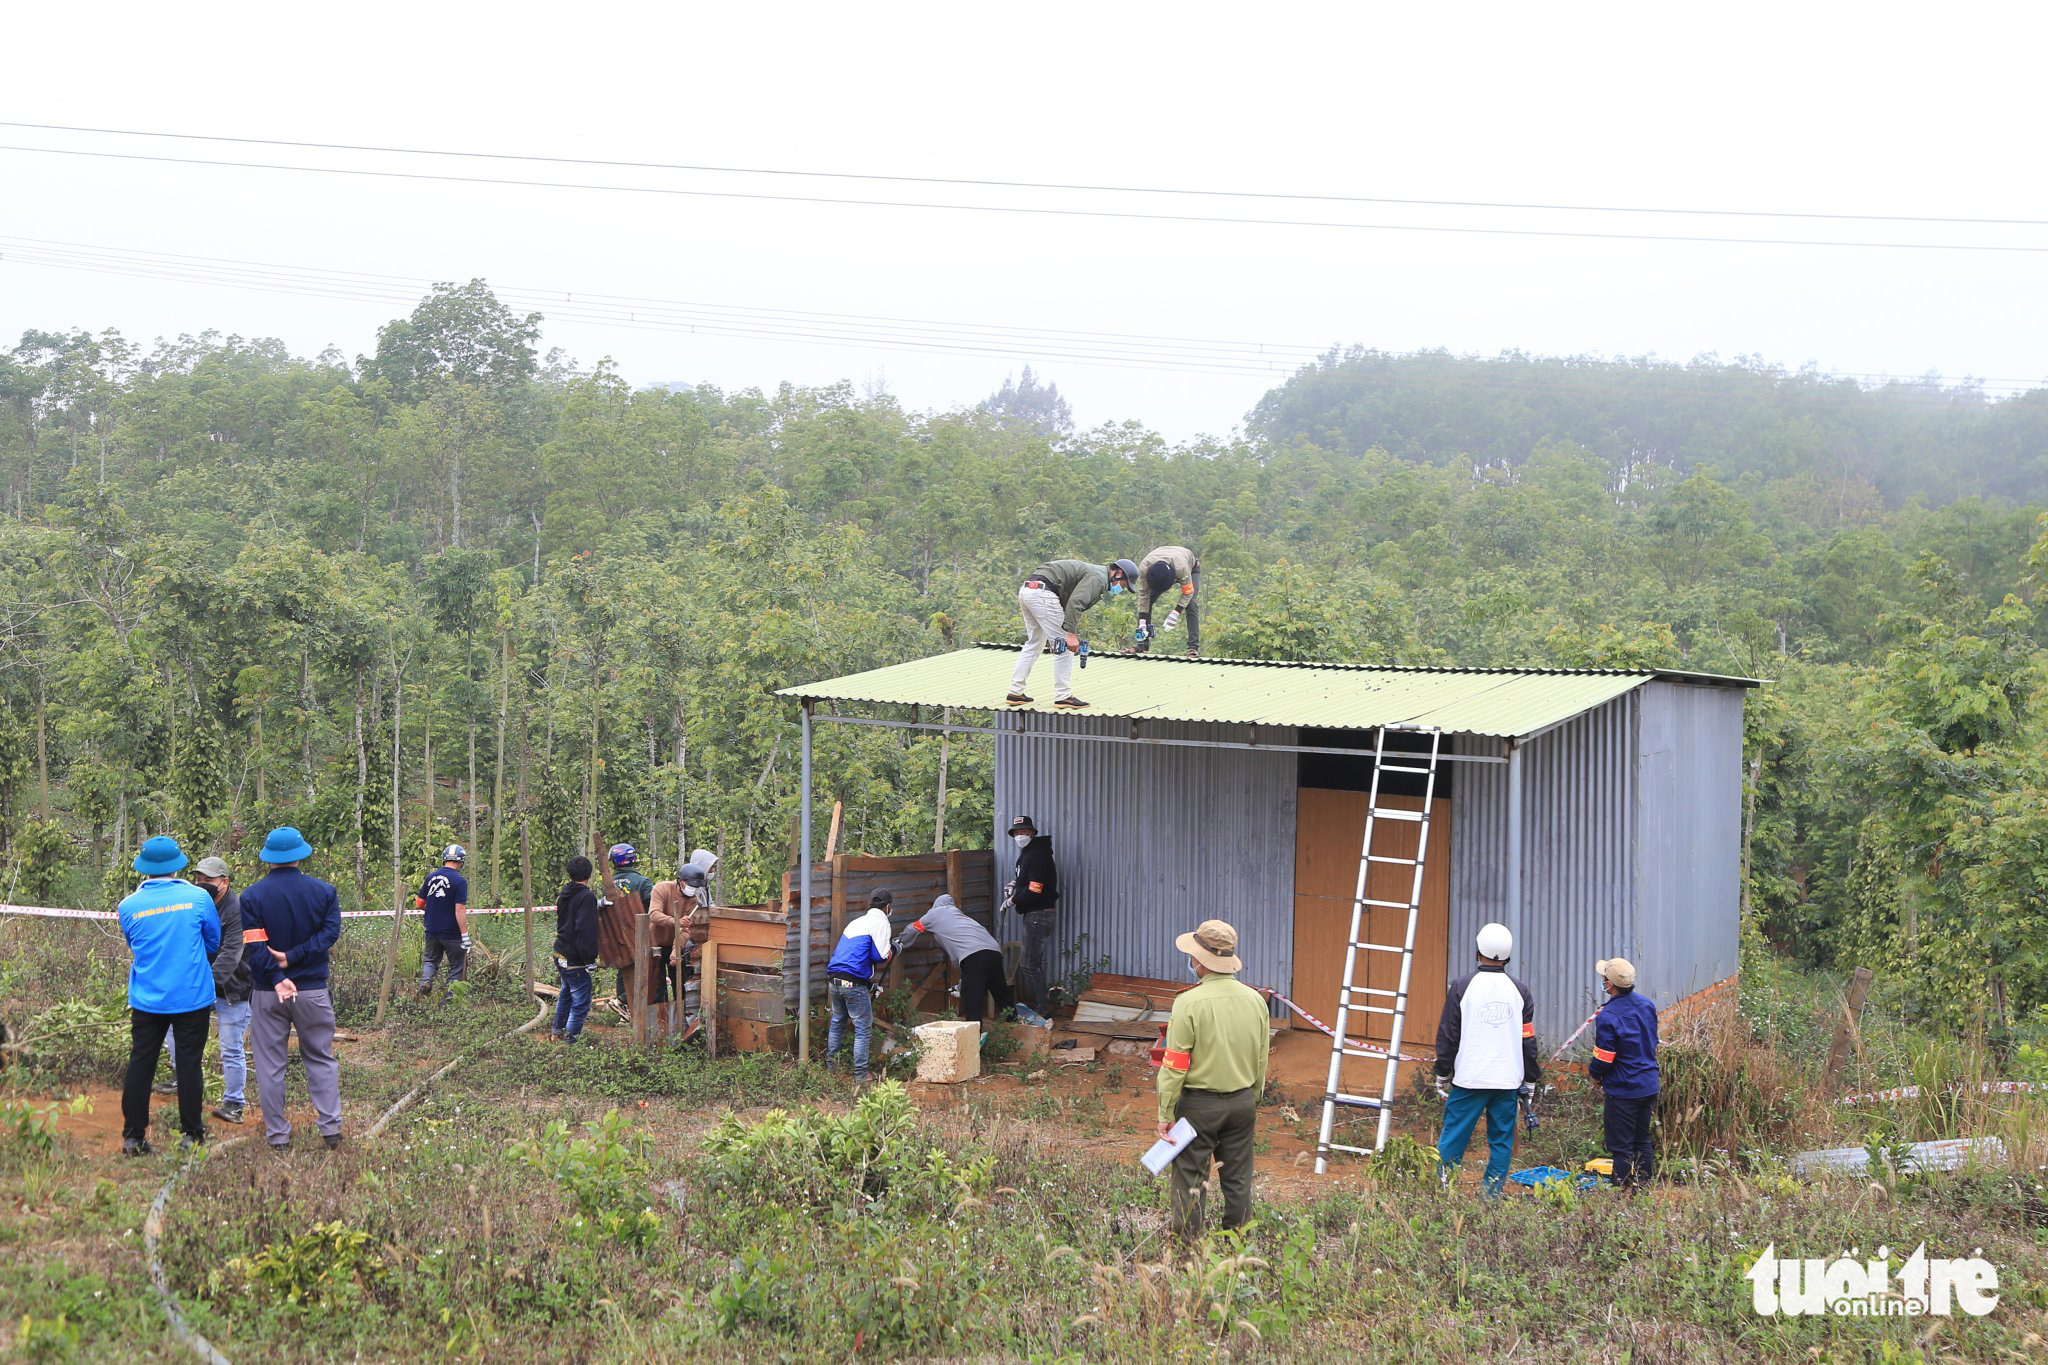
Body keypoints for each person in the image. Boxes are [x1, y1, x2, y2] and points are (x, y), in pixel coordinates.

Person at [1154, 919, 1271, 1239]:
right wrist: (1252, 1098)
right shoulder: (1256, 1000)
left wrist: (1166, 1113)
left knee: (1190, 1180)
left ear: (1200, 962)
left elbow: (1175, 1065)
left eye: (1193, 955)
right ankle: (1238, 1249)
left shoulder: (1188, 1003)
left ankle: (1187, 1252)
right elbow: (1262, 1057)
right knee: (1238, 1180)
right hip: (1243, 1102)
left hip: (1198, 1108)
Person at [240, 826, 345, 1152]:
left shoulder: (252, 897)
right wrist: (294, 958)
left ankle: (278, 1137)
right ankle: (330, 1130)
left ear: (268, 858)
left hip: (269, 994)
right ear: (301, 855)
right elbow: (330, 935)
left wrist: (275, 975)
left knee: (270, 1065)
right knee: (320, 1058)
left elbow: (255, 949)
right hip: (312, 991)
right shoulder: (325, 892)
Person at [117, 836, 220, 1155]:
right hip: (192, 997)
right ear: (179, 865)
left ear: (144, 869)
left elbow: (134, 945)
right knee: (189, 1065)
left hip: (148, 998)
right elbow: (213, 942)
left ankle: (133, 1137)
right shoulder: (199, 898)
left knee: (141, 1064)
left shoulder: (128, 906)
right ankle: (192, 1135)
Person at [1433, 922, 1538, 1196]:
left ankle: (1443, 1191)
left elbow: (1448, 1035)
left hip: (1470, 1079)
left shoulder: (1461, 986)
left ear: (1478, 949)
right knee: (1501, 1142)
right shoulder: (1521, 991)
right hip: (1507, 1081)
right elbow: (1528, 1041)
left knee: (1453, 1138)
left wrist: (1442, 1071)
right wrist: (1530, 1078)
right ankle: (1489, 1197)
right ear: (1507, 955)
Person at [163, 856, 251, 1124]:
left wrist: (205, 985)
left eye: (208, 879)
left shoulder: (237, 909)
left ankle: (234, 1103)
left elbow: (231, 953)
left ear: (224, 882)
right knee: (172, 1027)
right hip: (199, 983)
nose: (202, 883)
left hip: (233, 987)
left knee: (230, 1046)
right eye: (199, 878)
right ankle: (181, 1075)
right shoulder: (196, 903)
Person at [1006, 557, 1136, 709]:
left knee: (1034, 643)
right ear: (1118, 573)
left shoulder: (1096, 572)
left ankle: (1015, 692)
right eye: (1123, 584)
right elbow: (1075, 603)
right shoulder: (1099, 578)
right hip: (1043, 594)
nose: (1120, 588)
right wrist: (1071, 634)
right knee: (1064, 646)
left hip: (1028, 590)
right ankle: (1063, 696)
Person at [1588, 956, 1660, 1191]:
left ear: (1610, 985)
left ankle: (1621, 1194)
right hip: (1648, 1084)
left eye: (1604, 979)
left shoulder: (1608, 1015)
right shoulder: (1647, 1005)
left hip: (1624, 1090)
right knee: (1643, 1141)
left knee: (1621, 1147)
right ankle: (1644, 1189)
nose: (1603, 982)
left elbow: (1604, 1057)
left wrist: (1595, 1074)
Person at [894, 893, 1011, 1024]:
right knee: (1002, 995)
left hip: (974, 956)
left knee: (972, 1003)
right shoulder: (961, 917)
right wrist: (962, 986)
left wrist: (898, 943)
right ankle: (1018, 1031)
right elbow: (966, 964)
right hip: (994, 952)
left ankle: (972, 1041)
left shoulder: (935, 914)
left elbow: (913, 928)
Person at [824, 889, 894, 1081]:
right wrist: (893, 949)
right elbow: (880, 956)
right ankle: (861, 1074)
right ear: (887, 907)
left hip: (834, 979)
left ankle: (831, 1067)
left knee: (837, 1022)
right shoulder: (881, 922)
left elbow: (858, 955)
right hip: (852, 983)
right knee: (863, 1028)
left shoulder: (856, 922)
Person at [647, 863, 709, 1038]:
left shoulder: (694, 901)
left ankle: (680, 1025)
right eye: (691, 886)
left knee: (679, 984)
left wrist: (676, 949)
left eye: (696, 888)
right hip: (655, 943)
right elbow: (654, 915)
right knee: (658, 985)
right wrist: (675, 920)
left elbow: (688, 929)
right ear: (681, 882)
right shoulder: (661, 889)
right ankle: (659, 1028)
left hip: (676, 944)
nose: (693, 890)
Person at [1007, 815, 1060, 1016]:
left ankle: (1043, 1008)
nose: (1020, 835)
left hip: (1038, 913)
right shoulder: (1027, 854)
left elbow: (1035, 889)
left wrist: (1014, 900)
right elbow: (1026, 880)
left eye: (1023, 831)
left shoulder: (1037, 854)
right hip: (1036, 913)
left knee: (1029, 964)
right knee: (1033, 963)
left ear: (1032, 832)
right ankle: (1042, 1004)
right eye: (1017, 832)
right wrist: (1014, 885)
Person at [551, 855, 600, 1043]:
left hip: (560, 951)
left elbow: (571, 918)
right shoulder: (586, 896)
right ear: (589, 874)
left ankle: (556, 1032)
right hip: (574, 957)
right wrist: (589, 959)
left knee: (566, 992)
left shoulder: (566, 892)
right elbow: (584, 930)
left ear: (569, 874)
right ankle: (570, 1042)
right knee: (581, 1001)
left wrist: (598, 906)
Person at [414, 844, 471, 996]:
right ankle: (449, 1001)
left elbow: (419, 903)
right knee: (457, 967)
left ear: (444, 859)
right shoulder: (460, 881)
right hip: (452, 933)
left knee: (430, 961)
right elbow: (459, 909)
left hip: (432, 930)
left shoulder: (431, 877)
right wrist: (464, 935)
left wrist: (434, 909)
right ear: (461, 861)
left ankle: (426, 980)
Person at [1134, 545, 1201, 657]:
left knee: (1191, 604)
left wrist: (1176, 612)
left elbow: (1188, 593)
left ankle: (1193, 648)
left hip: (1190, 567)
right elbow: (1143, 594)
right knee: (1148, 600)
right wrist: (1142, 622)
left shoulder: (1182, 568)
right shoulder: (1144, 568)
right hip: (1162, 561)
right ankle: (1142, 645)